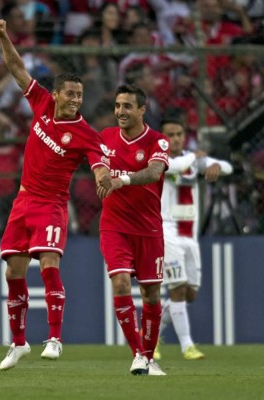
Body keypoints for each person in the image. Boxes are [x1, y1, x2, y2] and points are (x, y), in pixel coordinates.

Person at [0, 18, 112, 370]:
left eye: (80, 95)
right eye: (70, 94)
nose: (75, 100)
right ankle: (18, 343)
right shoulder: (41, 103)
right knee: (13, 271)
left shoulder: (85, 132)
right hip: (23, 201)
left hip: (52, 206)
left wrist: (103, 176)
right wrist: (3, 36)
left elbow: (98, 161)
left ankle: (55, 338)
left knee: (48, 264)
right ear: (56, 94)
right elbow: (15, 67)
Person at [98, 84, 170, 376]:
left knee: (151, 295)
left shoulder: (158, 140)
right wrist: (101, 175)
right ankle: (138, 355)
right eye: (117, 105)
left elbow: (154, 172)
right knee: (121, 284)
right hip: (114, 227)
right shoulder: (105, 137)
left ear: (142, 110)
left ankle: (149, 359)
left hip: (149, 229)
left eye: (127, 106)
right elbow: (97, 164)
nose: (120, 112)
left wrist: (121, 180)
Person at [157, 118, 233, 360]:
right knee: (177, 288)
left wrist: (216, 167)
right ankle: (187, 346)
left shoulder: (192, 159)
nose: (175, 138)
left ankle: (150, 331)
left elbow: (227, 167)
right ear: (163, 137)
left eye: (179, 133)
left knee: (190, 293)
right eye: (170, 134)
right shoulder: (161, 161)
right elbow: (178, 167)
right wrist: (197, 158)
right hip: (168, 232)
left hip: (190, 236)